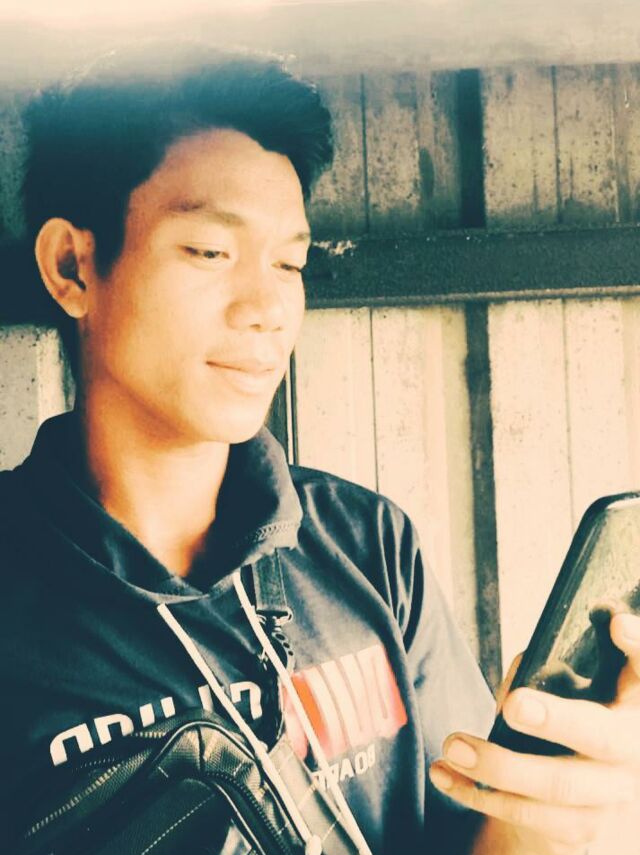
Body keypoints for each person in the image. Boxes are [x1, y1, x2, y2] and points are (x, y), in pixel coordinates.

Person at [1, 43, 639, 855]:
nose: (268, 306)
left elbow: (471, 835)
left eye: (290, 262)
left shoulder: (368, 545)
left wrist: (561, 811)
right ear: (72, 265)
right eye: (210, 251)